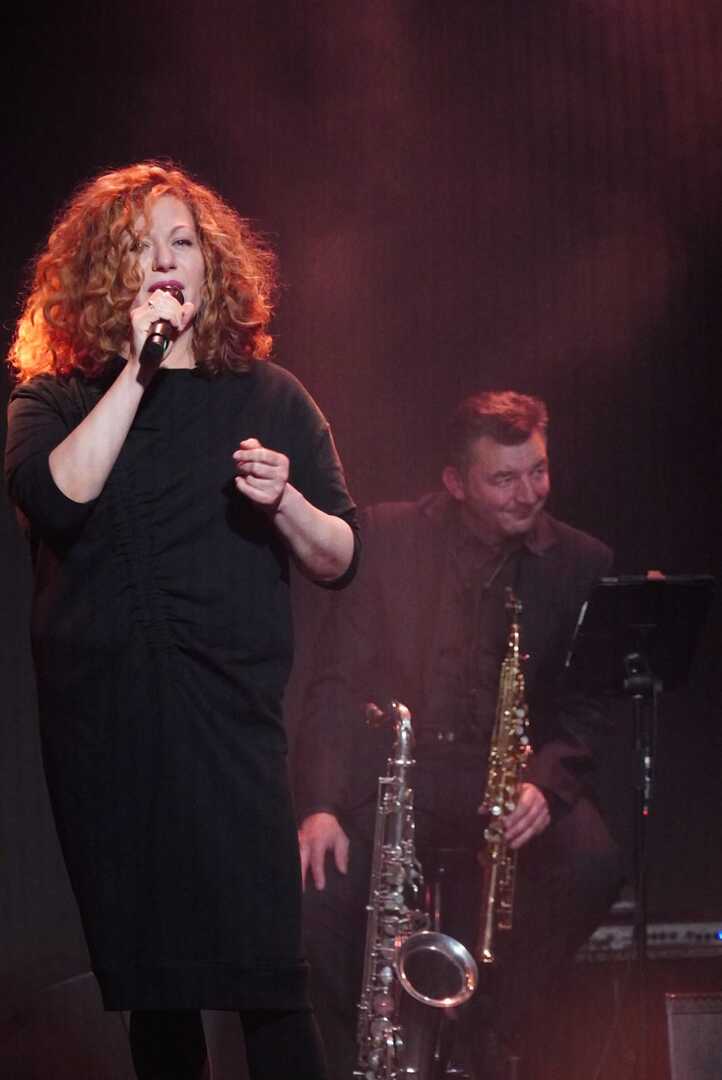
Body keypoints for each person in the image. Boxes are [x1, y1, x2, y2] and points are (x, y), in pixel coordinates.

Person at [4, 161, 360, 1080]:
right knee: (156, 993)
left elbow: (340, 555)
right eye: (139, 249)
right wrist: (140, 367)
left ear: (212, 263)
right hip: (112, 739)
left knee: (269, 981)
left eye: (181, 242)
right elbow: (58, 498)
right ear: (104, 276)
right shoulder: (55, 398)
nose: (165, 262)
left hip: (232, 728)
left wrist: (286, 502)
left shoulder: (273, 395)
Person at [295, 391, 623, 1079]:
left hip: (512, 777)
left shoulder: (583, 561)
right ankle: (369, 1053)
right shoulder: (386, 536)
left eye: (538, 471)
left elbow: (590, 703)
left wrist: (548, 783)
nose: (528, 493)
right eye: (503, 478)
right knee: (316, 895)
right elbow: (334, 679)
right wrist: (320, 805)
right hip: (399, 774)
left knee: (593, 865)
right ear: (455, 482)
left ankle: (492, 1027)